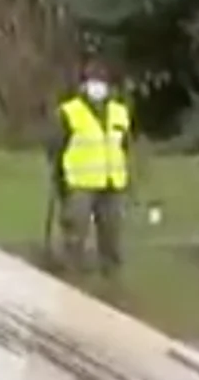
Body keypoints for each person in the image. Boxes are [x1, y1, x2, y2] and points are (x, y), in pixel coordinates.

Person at [48, 63, 135, 279]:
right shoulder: (69, 112)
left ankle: (112, 284)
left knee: (112, 238)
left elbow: (124, 147)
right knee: (75, 236)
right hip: (80, 184)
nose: (97, 86)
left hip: (112, 184)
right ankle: (71, 282)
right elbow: (57, 148)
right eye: (92, 81)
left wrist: (127, 180)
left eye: (101, 81)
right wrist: (60, 182)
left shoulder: (119, 112)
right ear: (84, 84)